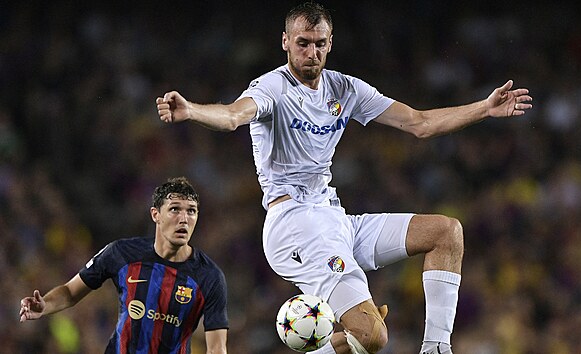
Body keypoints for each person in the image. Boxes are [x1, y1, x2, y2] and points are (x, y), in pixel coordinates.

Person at [155, 2, 532, 353]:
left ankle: (435, 348)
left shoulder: (345, 89)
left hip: (333, 218)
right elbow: (234, 116)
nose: (311, 53)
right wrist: (192, 110)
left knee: (446, 232)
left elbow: (419, 123)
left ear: (330, 43)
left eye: (319, 44)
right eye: (302, 43)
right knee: (373, 336)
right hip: (294, 224)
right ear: (285, 42)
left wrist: (483, 108)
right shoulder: (272, 88)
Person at [19, 177, 229, 354]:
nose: (184, 219)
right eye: (175, 209)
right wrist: (45, 305)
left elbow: (217, 348)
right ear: (155, 214)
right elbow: (70, 292)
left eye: (191, 211)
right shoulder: (121, 253)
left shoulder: (209, 276)